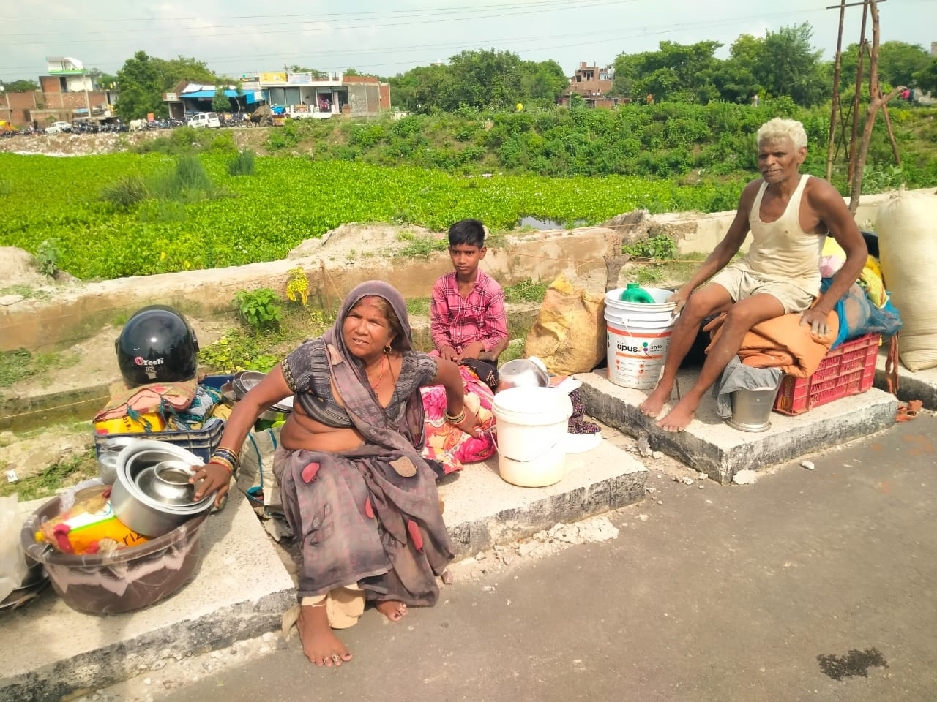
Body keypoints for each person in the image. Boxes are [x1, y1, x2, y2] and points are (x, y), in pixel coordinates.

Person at [191, 281, 483, 668]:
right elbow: (254, 399)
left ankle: (385, 585)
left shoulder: (409, 367)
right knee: (331, 488)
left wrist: (456, 411)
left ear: (393, 334)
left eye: (374, 322)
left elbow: (450, 374)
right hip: (310, 459)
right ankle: (313, 613)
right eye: (354, 317)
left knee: (413, 481)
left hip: (373, 454)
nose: (360, 328)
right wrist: (223, 460)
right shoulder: (316, 358)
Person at [638, 117, 867, 431]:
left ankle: (692, 398)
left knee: (741, 314)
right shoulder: (753, 192)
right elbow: (729, 244)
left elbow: (858, 253)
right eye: (763, 155)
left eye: (779, 155)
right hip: (750, 271)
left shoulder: (819, 195)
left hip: (793, 282)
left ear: (801, 154)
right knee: (697, 305)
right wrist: (689, 286)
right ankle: (665, 386)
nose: (769, 162)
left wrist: (823, 307)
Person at [430, 218, 509, 364]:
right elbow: (438, 327)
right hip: (449, 355)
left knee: (471, 384)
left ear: (482, 252)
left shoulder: (492, 290)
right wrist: (445, 346)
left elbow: (500, 336)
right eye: (456, 252)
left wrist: (479, 345)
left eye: (469, 253)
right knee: (423, 373)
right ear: (449, 251)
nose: (461, 260)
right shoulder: (441, 286)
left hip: (479, 359)